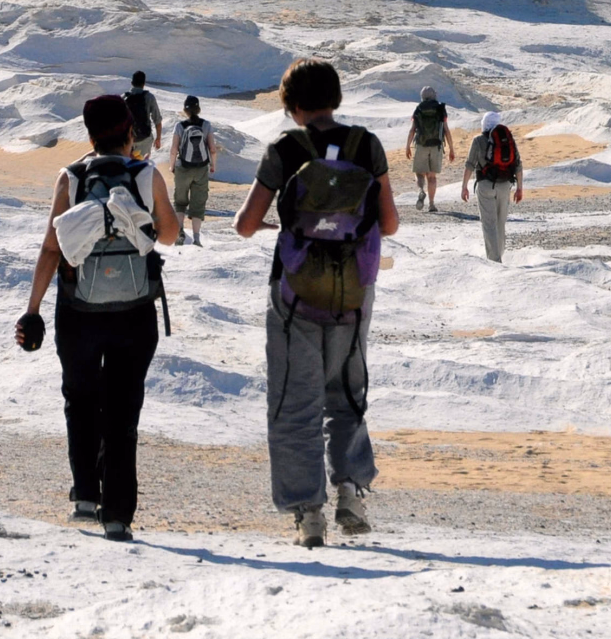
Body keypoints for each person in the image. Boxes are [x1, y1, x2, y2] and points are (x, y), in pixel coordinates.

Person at [233, 58, 399, 548]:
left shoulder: (285, 148)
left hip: (295, 292)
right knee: (346, 391)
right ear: (336, 97)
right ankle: (349, 491)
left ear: (292, 104)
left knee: (293, 399)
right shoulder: (366, 145)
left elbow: (244, 223)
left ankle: (308, 514)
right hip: (353, 288)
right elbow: (389, 224)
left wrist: (284, 225)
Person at [15, 94, 179, 542]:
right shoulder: (146, 174)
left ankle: (86, 496)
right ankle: (118, 515)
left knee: (81, 401)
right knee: (124, 412)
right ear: (130, 133)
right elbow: (169, 234)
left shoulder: (70, 177)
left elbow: (52, 248)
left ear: (89, 136)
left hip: (79, 311)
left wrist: (31, 312)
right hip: (134, 312)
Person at [458, 111, 522, 263]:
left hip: (486, 185)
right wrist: (520, 187)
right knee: (500, 222)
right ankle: (499, 253)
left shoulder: (478, 140)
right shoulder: (507, 138)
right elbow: (518, 164)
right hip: (505, 185)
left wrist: (464, 186)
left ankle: (495, 260)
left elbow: (470, 165)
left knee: (489, 224)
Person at [171, 96, 216, 246]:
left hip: (182, 167)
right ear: (198, 109)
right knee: (198, 203)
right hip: (201, 168)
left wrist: (172, 166)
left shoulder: (180, 126)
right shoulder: (206, 125)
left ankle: (180, 233)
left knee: (180, 201)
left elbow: (173, 150)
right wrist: (212, 165)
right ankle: (196, 238)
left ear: (185, 109)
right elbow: (213, 149)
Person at [405, 87, 456, 210]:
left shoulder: (419, 109)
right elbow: (446, 130)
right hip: (436, 146)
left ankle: (422, 190)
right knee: (432, 177)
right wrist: (451, 148)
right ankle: (432, 204)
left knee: (419, 173)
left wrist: (407, 146)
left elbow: (412, 129)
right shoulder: (440, 109)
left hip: (422, 145)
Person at [123, 71, 163, 159]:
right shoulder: (149, 97)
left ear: (132, 83)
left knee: (128, 167)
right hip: (144, 139)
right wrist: (158, 139)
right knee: (143, 168)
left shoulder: (124, 98)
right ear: (144, 83)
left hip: (128, 140)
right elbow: (157, 120)